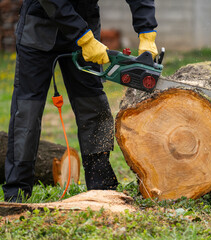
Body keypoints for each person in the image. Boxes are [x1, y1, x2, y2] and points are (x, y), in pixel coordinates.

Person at [2, 0, 158, 202]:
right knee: (27, 111)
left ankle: (101, 184)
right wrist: (83, 38)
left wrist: (147, 30)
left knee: (93, 104)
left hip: (86, 21)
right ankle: (17, 190)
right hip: (41, 26)